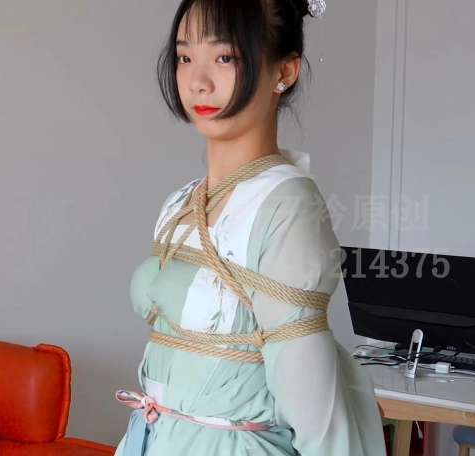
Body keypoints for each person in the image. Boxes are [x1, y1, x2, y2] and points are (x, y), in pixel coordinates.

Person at [114, 0, 387, 454]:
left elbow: (308, 393)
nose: (198, 81)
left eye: (225, 57)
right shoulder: (180, 204)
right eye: (185, 56)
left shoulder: (287, 205)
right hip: (152, 436)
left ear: (285, 71)